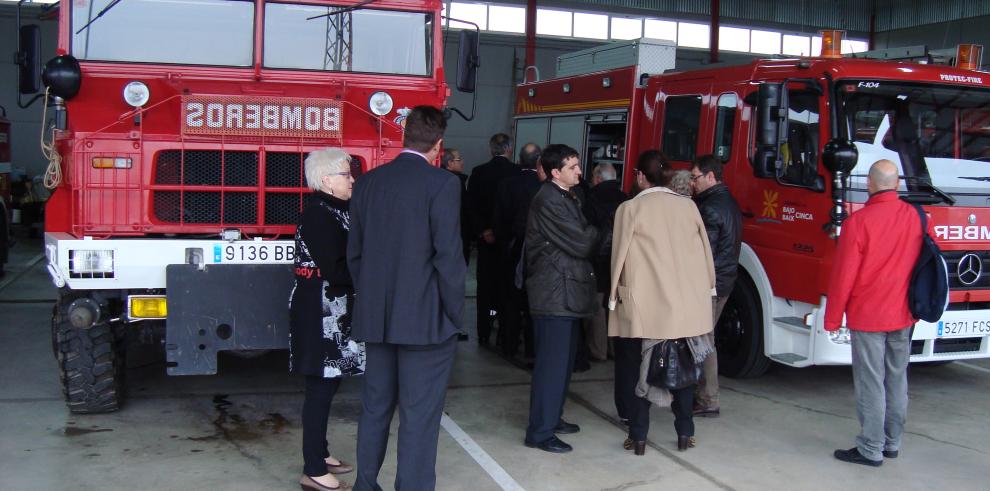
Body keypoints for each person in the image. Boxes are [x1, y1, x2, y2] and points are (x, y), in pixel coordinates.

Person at [347, 106, 467, 490]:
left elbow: (356, 255)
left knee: (375, 407)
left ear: (403, 136)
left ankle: (366, 484)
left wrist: (371, 300)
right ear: (438, 144)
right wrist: (454, 313)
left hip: (377, 318)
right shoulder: (443, 184)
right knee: (419, 415)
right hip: (426, 322)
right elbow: (448, 257)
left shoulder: (368, 182)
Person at [609, 151, 716, 454]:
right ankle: (685, 432)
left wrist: (615, 300)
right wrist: (707, 289)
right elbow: (706, 254)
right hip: (685, 306)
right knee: (682, 370)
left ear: (640, 175)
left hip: (644, 306)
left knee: (640, 372)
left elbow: (618, 258)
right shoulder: (689, 207)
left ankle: (639, 436)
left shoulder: (630, 208)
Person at [825, 159, 922, 467]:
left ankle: (870, 447)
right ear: (897, 184)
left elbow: (844, 276)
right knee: (897, 379)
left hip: (869, 314)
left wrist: (832, 317)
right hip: (904, 312)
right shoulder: (916, 217)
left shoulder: (858, 223)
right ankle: (892, 443)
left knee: (871, 381)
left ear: (870, 184)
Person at [289, 147, 365, 491]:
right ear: (326, 181)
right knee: (320, 385)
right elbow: (336, 268)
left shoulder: (339, 209)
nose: (352, 180)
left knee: (329, 382)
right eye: (346, 175)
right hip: (320, 309)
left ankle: (320, 451)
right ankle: (313, 469)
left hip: (334, 307)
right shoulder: (319, 214)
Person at [523, 144, 600, 454]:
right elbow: (582, 242)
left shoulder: (566, 195)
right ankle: (539, 432)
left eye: (578, 165)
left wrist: (588, 231)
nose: (579, 171)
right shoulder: (549, 200)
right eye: (572, 167)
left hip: (564, 292)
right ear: (555, 172)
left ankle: (552, 418)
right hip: (553, 293)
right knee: (551, 367)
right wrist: (598, 230)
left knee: (563, 364)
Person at [689, 155, 742, 418]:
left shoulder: (709, 208)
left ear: (711, 176)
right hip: (724, 281)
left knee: (703, 341)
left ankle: (708, 398)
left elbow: (702, 252)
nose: (692, 183)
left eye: (695, 177)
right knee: (705, 338)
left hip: (709, 284)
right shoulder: (729, 202)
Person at [467, 133, 520, 346]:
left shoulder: (478, 172)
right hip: (509, 242)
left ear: (491, 149)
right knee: (506, 288)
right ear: (509, 149)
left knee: (485, 286)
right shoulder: (516, 173)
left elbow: (471, 206)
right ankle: (504, 333)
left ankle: (483, 330)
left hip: (486, 241)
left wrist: (484, 230)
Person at [493, 143, 543, 359]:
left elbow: (499, 218)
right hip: (538, 251)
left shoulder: (507, 184)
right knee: (534, 302)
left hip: (512, 248)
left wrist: (504, 244)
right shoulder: (546, 187)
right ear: (539, 161)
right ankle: (532, 350)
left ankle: (508, 344)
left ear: (520, 159)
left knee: (510, 299)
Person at [582, 162, 628, 362]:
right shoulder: (626, 199)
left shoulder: (591, 198)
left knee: (597, 307)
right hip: (620, 258)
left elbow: (586, 231)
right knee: (616, 305)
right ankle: (615, 348)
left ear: (598, 178)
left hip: (598, 259)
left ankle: (598, 350)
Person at [441, 148, 472, 268]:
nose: (462, 162)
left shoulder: (442, 178)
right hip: (456, 235)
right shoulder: (454, 182)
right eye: (459, 159)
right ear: (449, 163)